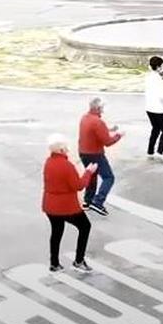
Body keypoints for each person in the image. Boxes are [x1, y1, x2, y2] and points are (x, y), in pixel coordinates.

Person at [42, 134, 99, 273]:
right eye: (66, 148)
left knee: (56, 232)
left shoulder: (48, 162)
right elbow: (79, 185)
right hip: (66, 206)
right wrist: (88, 172)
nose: (68, 150)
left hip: (50, 205)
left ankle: (54, 263)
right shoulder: (67, 166)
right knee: (85, 226)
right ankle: (79, 260)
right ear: (61, 150)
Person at [79, 97, 123, 216]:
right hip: (95, 154)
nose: (103, 110)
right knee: (108, 177)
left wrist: (109, 129)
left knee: (91, 175)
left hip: (83, 153)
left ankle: (87, 201)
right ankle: (98, 202)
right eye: (102, 108)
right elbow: (107, 142)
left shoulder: (85, 118)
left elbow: (95, 131)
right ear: (98, 108)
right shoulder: (98, 122)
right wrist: (118, 135)